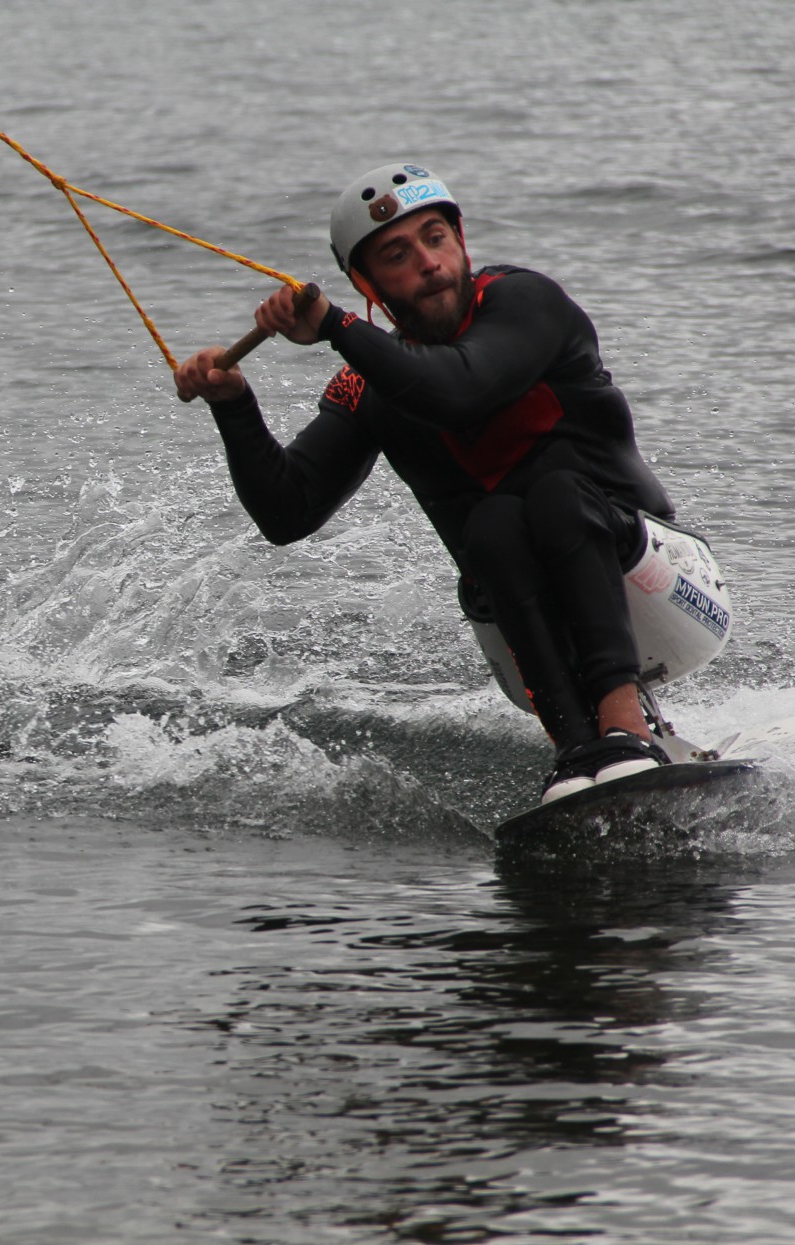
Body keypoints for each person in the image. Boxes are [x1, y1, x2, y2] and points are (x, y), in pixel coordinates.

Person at [175, 163, 721, 804]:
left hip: (660, 587)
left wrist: (334, 327)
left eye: (436, 239)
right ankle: (575, 752)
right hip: (519, 622)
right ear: (368, 283)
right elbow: (287, 512)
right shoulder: (366, 382)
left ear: (461, 243)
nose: (428, 263)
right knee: (490, 524)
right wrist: (234, 405)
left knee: (555, 496)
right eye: (397, 256)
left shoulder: (526, 302)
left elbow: (460, 390)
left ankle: (623, 727)